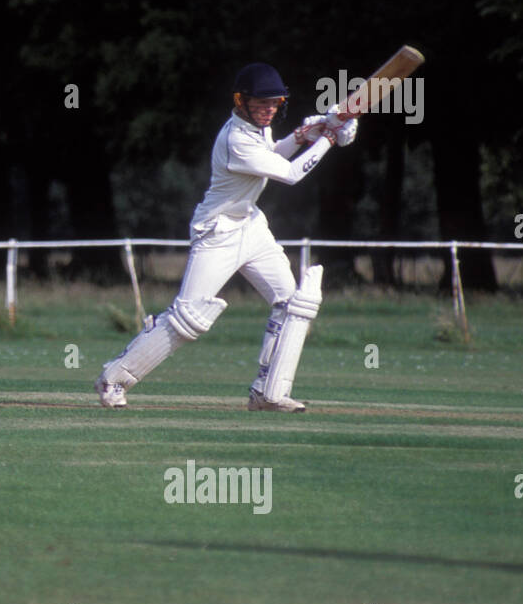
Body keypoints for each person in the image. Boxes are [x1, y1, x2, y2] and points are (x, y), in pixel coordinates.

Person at [95, 63, 358, 412]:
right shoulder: (235, 138)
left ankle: (268, 392)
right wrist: (327, 137)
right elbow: (291, 174)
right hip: (217, 231)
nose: (270, 110)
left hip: (250, 226)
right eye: (262, 103)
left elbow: (273, 155)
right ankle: (113, 378)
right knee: (189, 319)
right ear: (241, 101)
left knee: (292, 302)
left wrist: (306, 133)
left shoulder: (258, 129)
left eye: (275, 103)